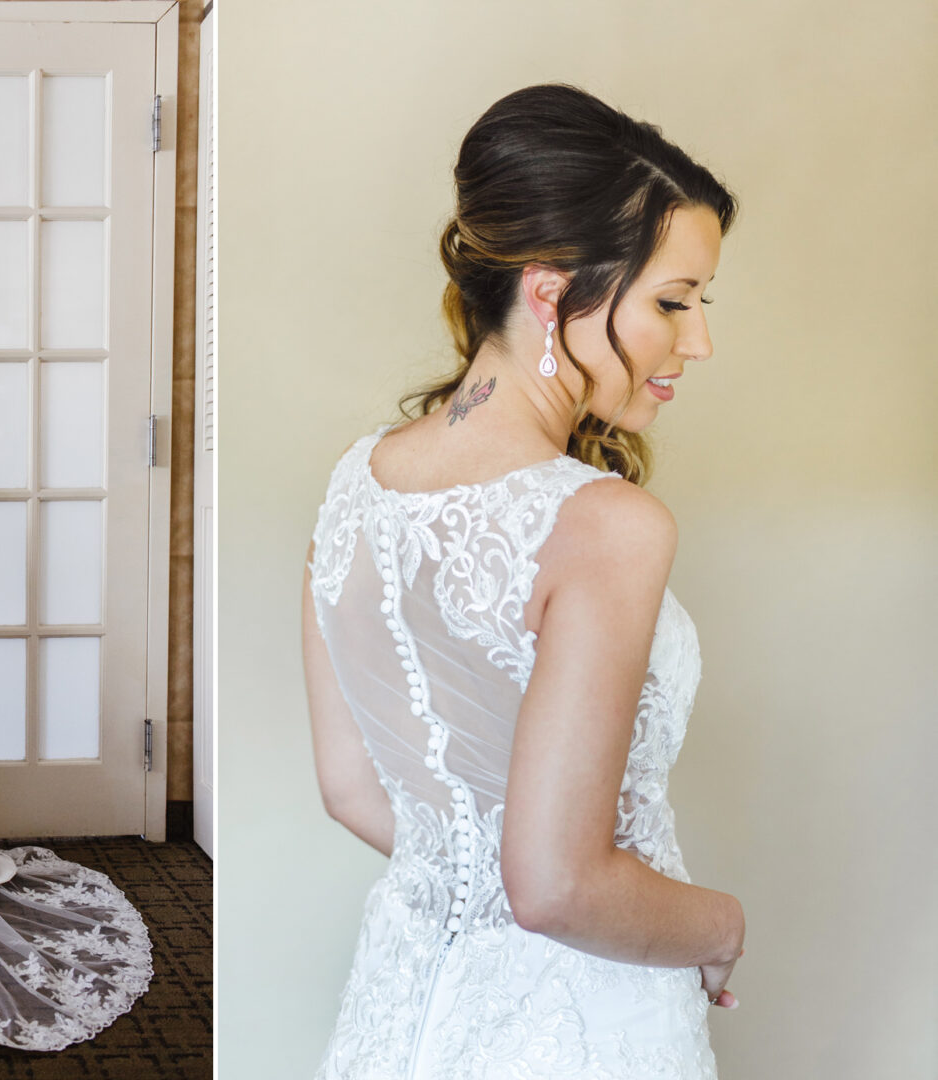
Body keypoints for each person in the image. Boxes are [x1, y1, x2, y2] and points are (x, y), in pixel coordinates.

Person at [302, 83, 745, 1079]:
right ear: (550, 293)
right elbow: (554, 888)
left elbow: (348, 789)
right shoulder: (607, 526)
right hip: (575, 1021)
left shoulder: (358, 477)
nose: (697, 340)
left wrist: (468, 886)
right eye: (672, 301)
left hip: (397, 1000)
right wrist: (719, 925)